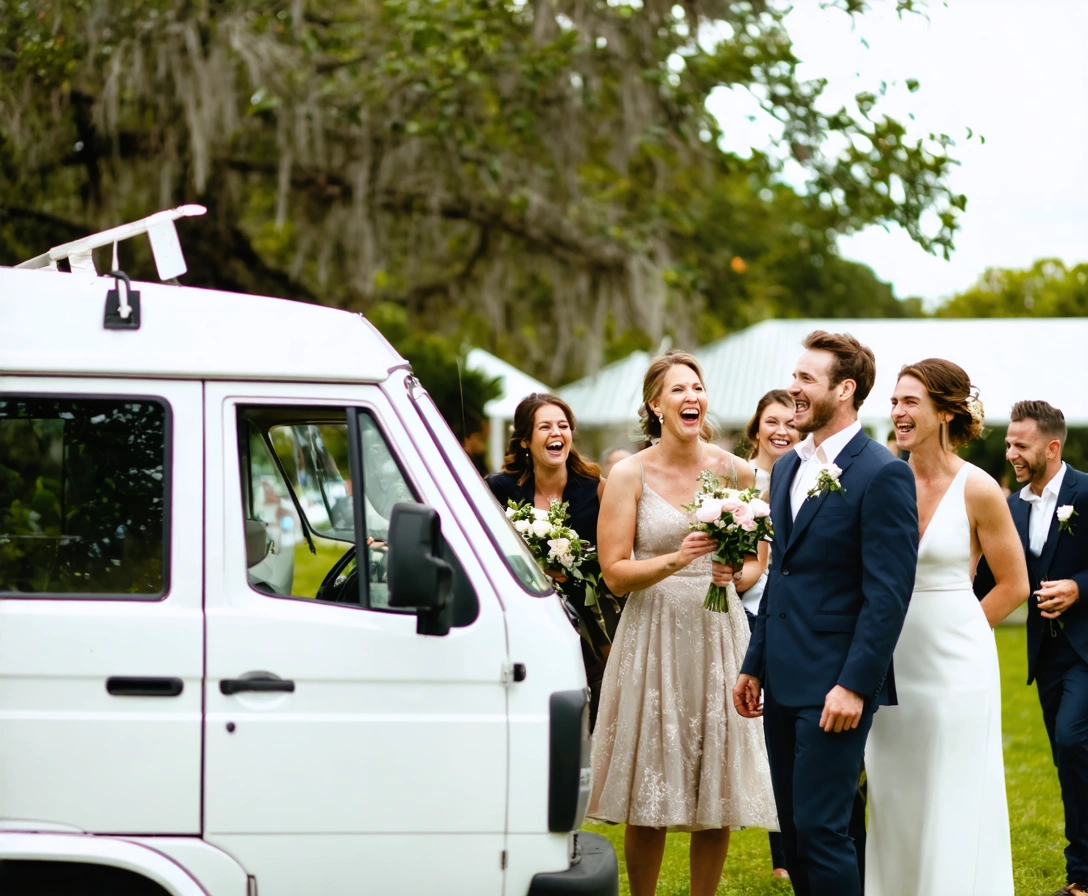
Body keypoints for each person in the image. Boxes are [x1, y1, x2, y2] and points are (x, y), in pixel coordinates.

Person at [732, 330, 918, 896]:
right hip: (781, 679)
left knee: (823, 829)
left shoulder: (882, 473)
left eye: (806, 380)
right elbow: (781, 577)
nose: (793, 390)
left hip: (835, 685)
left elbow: (888, 595)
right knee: (793, 831)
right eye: (794, 377)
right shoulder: (787, 468)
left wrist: (854, 686)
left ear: (845, 389)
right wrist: (753, 662)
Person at [588, 349, 777, 896]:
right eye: (678, 389)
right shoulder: (629, 474)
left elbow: (753, 567)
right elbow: (615, 575)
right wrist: (674, 559)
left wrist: (731, 570)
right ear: (656, 404)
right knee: (649, 783)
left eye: (697, 387)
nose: (691, 396)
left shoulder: (737, 472)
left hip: (718, 631)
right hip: (652, 632)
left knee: (714, 783)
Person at [864, 360, 1028, 896]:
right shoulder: (881, 478)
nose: (898, 412)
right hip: (888, 657)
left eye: (910, 402)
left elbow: (1013, 584)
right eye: (894, 401)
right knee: (893, 786)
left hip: (958, 663)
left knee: (952, 787)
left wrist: (964, 628)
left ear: (944, 412)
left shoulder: (978, 488)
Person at [979, 400, 1088, 896]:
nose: (1011, 453)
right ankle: (1082, 870)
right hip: (1045, 655)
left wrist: (1080, 587)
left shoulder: (1087, 491)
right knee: (1069, 758)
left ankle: (1082, 875)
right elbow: (987, 575)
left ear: (1052, 446)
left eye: (1020, 445)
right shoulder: (1009, 506)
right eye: (1008, 443)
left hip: (1087, 648)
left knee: (1072, 741)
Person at [486, 393, 611, 726]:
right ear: (526, 439)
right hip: (522, 616)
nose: (557, 433)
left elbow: (619, 549)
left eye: (563, 425)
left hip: (589, 619)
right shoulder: (498, 490)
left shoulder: (597, 489)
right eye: (545, 427)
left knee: (601, 695)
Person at [740, 389, 798, 881]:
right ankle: (781, 851)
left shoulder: (806, 475)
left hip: (786, 614)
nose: (782, 430)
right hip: (745, 611)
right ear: (756, 426)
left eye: (790, 423)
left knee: (783, 726)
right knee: (764, 733)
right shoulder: (736, 481)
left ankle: (788, 852)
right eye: (772, 421)